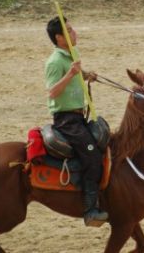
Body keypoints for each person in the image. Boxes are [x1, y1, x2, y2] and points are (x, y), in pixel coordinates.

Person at [44, 16, 108, 227]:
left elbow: (76, 75)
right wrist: (71, 73)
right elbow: (53, 92)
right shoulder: (54, 62)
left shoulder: (73, 53)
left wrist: (86, 74)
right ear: (59, 37)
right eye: (69, 31)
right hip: (66, 120)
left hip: (79, 115)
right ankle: (90, 210)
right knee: (91, 155)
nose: (75, 33)